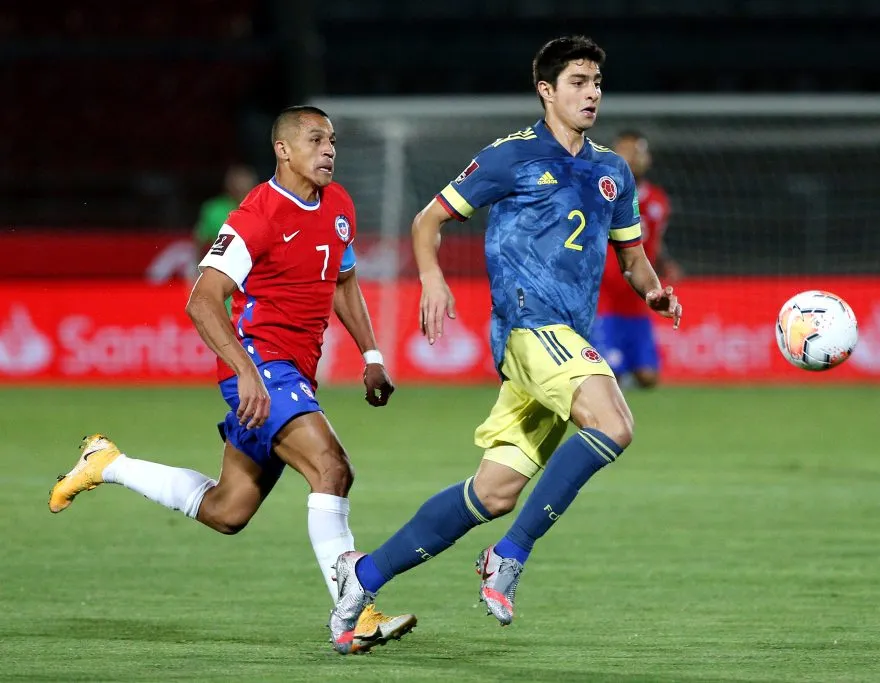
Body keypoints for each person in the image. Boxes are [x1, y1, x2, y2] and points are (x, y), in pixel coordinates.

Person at [326, 35, 682, 655]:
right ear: (546, 90)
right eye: (577, 81)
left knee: (492, 492)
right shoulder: (509, 157)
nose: (591, 91)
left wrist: (655, 292)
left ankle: (364, 576)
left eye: (597, 81)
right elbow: (428, 220)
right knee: (615, 422)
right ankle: (508, 556)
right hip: (528, 326)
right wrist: (432, 280)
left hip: (568, 336)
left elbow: (632, 255)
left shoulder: (612, 171)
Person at [48, 105, 416, 653]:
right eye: (316, 140)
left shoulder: (339, 206)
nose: (329, 150)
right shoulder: (257, 215)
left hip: (292, 372)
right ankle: (352, 616)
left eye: (333, 140)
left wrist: (372, 353)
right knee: (332, 469)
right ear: (283, 150)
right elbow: (202, 300)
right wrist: (246, 371)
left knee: (228, 510)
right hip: (261, 366)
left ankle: (108, 463)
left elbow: (343, 281)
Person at [594, 131, 683, 389]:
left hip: (637, 302)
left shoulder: (658, 201)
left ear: (648, 158)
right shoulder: (602, 194)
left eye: (638, 151)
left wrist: (666, 263)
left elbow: (654, 241)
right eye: (626, 151)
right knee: (613, 373)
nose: (632, 158)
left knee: (648, 378)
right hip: (604, 301)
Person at [194, 164, 258, 315]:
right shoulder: (213, 210)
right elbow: (200, 244)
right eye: (237, 185)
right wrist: (197, 275)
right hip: (224, 285)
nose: (241, 189)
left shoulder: (263, 210)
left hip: (255, 289)